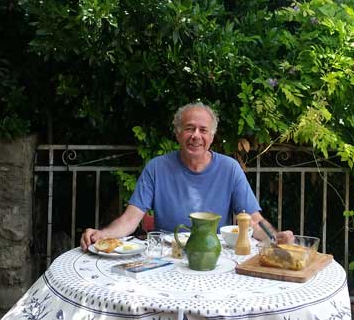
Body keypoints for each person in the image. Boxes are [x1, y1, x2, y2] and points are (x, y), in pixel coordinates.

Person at [80, 102, 294, 249]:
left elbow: (254, 220)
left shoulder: (230, 169)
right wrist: (103, 234)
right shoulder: (156, 168)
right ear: (178, 133)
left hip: (214, 255)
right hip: (168, 257)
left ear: (212, 136)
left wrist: (275, 237)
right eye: (189, 128)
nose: (196, 136)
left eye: (203, 130)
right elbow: (130, 219)